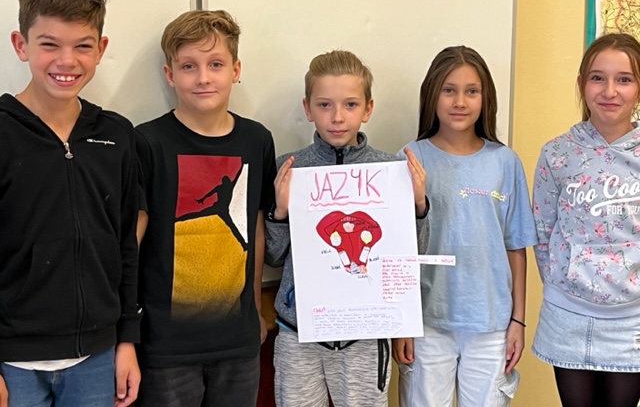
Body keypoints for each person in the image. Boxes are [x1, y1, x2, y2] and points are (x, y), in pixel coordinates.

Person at [0, 0, 141, 407]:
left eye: (82, 45)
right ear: (20, 45)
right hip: (13, 362)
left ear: (101, 49)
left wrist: (126, 340)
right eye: (49, 44)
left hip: (96, 358)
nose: (67, 61)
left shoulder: (116, 135)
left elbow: (126, 244)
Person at [266, 50, 428, 407]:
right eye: (324, 105)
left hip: (365, 336)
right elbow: (273, 257)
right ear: (308, 108)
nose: (337, 117)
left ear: (367, 109)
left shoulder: (390, 170)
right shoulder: (289, 169)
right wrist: (279, 212)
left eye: (350, 104)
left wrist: (417, 206)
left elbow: (410, 257)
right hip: (299, 332)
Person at [135, 9, 277, 406]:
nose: (203, 78)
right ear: (170, 74)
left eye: (215, 64)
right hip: (166, 347)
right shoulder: (147, 142)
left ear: (235, 69)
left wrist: (254, 306)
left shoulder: (257, 140)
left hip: (238, 343)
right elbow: (133, 242)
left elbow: (255, 229)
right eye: (188, 66)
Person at [393, 46, 537, 406]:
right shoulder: (410, 158)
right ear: (432, 95)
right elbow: (396, 249)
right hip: (426, 322)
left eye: (471, 91)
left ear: (485, 98)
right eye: (449, 90)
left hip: (491, 324)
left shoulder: (505, 162)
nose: (460, 101)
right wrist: (401, 322)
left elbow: (515, 246)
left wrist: (518, 321)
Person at [531, 33, 640, 407]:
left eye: (624, 79)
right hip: (569, 315)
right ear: (581, 84)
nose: (610, 91)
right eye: (597, 78)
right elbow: (543, 232)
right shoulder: (557, 153)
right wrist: (564, 279)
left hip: (632, 322)